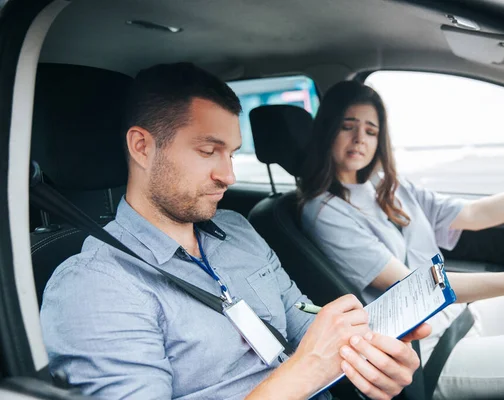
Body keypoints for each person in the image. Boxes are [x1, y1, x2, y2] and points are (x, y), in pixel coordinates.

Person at [39, 64, 431, 400]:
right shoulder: (94, 284)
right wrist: (306, 370)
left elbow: (302, 321)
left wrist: (370, 356)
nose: (228, 175)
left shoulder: (237, 230)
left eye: (231, 152)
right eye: (209, 151)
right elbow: (309, 359)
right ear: (142, 147)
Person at [298, 80, 504, 399]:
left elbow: (473, 214)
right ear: (328, 131)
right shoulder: (322, 211)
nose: (360, 138)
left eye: (371, 131)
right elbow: (418, 288)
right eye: (348, 127)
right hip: (428, 352)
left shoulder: (389, 187)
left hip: (462, 318)